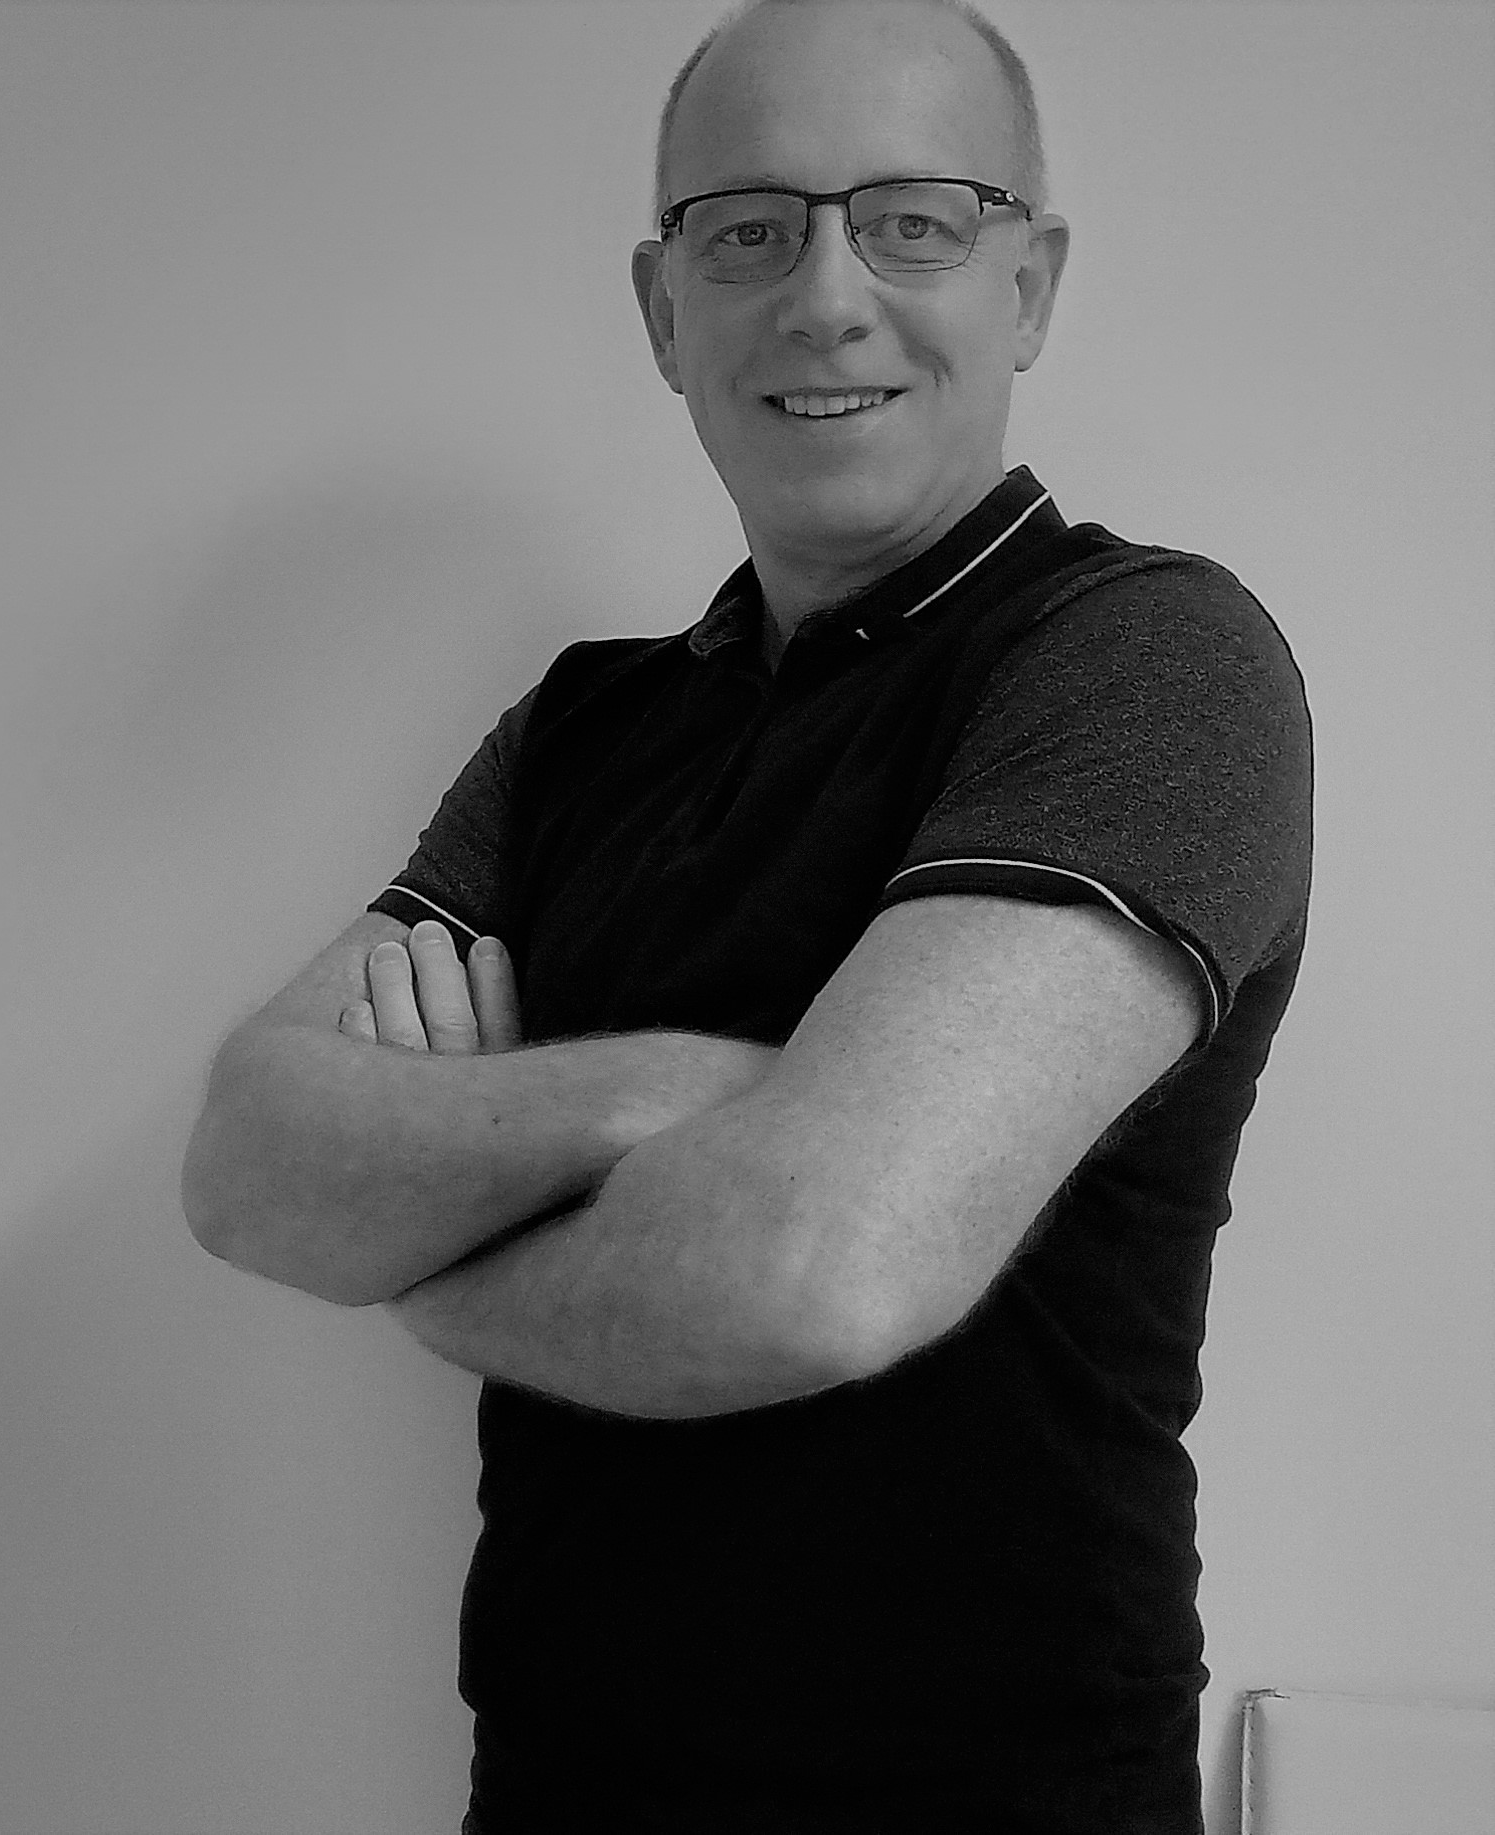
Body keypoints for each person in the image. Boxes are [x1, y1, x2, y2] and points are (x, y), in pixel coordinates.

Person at [182, 0, 1312, 1827]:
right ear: (663, 310)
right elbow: (250, 1168)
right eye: (748, 230)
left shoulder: (1142, 663)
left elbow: (814, 1277)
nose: (825, 297)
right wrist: (670, 1098)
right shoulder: (579, 727)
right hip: (550, 1786)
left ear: (1027, 284)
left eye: (914, 222)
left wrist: (421, 1251)